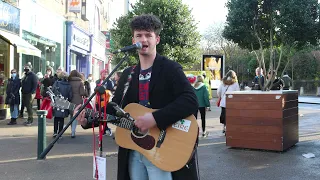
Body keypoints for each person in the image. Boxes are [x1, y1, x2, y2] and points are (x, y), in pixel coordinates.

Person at [74, 14, 199, 180]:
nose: (144, 39)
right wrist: (88, 120)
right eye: (139, 35)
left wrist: (155, 118)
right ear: (133, 41)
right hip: (133, 150)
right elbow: (115, 108)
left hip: (162, 151)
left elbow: (190, 100)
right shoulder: (128, 74)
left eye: (148, 35)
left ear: (157, 39)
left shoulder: (170, 69)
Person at [52, 71, 73, 138]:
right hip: (64, 102)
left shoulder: (57, 83)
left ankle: (55, 132)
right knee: (61, 118)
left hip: (57, 101)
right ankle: (60, 133)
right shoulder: (69, 85)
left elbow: (53, 91)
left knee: (56, 117)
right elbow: (70, 95)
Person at [96, 69, 114, 136]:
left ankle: (105, 130)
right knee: (100, 117)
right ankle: (104, 130)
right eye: (103, 73)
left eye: (105, 73)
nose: (104, 74)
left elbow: (111, 90)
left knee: (104, 116)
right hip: (98, 101)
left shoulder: (109, 82)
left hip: (106, 101)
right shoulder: (98, 81)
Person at [68, 70, 86, 138]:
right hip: (78, 101)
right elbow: (82, 93)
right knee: (75, 116)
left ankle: (71, 129)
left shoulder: (68, 81)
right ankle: (73, 132)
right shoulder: (80, 82)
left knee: (71, 115)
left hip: (70, 100)